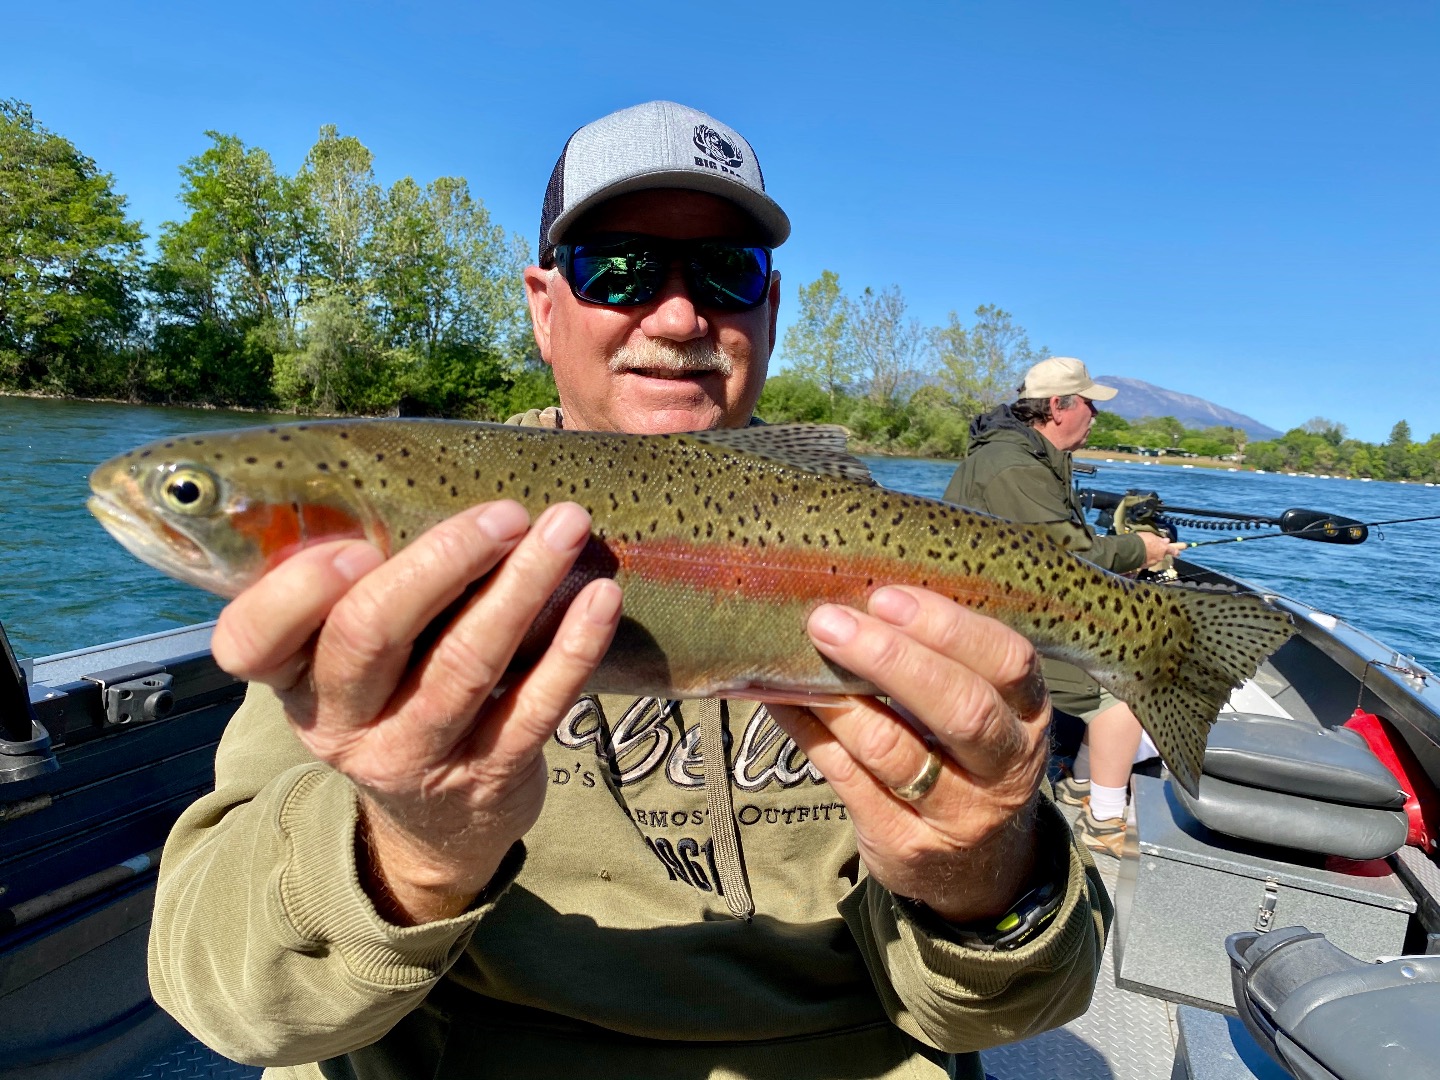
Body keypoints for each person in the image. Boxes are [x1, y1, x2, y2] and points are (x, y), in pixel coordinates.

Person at [148, 101, 1110, 1080]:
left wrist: (981, 874)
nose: (682, 315)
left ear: (770, 311)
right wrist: (410, 854)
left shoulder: (888, 558)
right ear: (543, 303)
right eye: (619, 268)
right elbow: (226, 997)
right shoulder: (380, 576)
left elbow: (1018, 1006)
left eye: (727, 273)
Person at [943, 358, 1186, 858]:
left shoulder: (1029, 457)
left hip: (1011, 608)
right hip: (990, 627)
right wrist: (1142, 550)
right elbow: (1068, 554)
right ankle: (1104, 821)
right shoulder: (1014, 467)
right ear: (1058, 406)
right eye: (1090, 404)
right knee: (1130, 682)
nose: (1096, 415)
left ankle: (1080, 782)